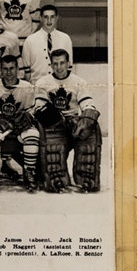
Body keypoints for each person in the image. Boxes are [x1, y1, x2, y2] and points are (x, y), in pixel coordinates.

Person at [33, 49, 101, 192]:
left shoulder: (78, 82)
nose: (59, 67)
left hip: (74, 122)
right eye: (55, 64)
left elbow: (87, 102)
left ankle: (86, 178)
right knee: (53, 142)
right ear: (51, 65)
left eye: (62, 63)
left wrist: (88, 117)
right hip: (54, 123)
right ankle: (56, 179)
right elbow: (39, 107)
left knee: (91, 130)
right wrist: (56, 117)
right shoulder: (43, 82)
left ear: (68, 63)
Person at [0, 55, 40, 192]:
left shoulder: (26, 87)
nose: (8, 72)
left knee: (33, 134)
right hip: (0, 124)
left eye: (11, 69)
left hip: (19, 125)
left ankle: (29, 172)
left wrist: (26, 117)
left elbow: (31, 110)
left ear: (17, 69)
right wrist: (2, 121)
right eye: (5, 69)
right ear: (1, 70)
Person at [21, 4, 73, 84]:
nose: (49, 21)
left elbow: (69, 67)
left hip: (59, 85)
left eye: (52, 17)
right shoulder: (30, 40)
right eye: (46, 17)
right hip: (37, 86)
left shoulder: (65, 39)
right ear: (40, 18)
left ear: (57, 18)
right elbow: (26, 71)